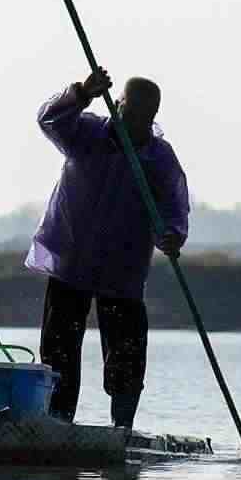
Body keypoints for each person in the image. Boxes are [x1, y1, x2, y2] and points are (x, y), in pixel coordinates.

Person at [26, 66, 189, 431]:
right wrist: (81, 92)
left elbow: (175, 207)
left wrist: (172, 235)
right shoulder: (86, 133)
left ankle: (121, 429)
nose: (137, 125)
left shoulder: (159, 158)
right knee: (59, 350)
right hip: (71, 261)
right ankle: (56, 424)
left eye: (146, 118)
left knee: (127, 353)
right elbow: (49, 119)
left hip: (123, 271)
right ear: (118, 104)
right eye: (132, 113)